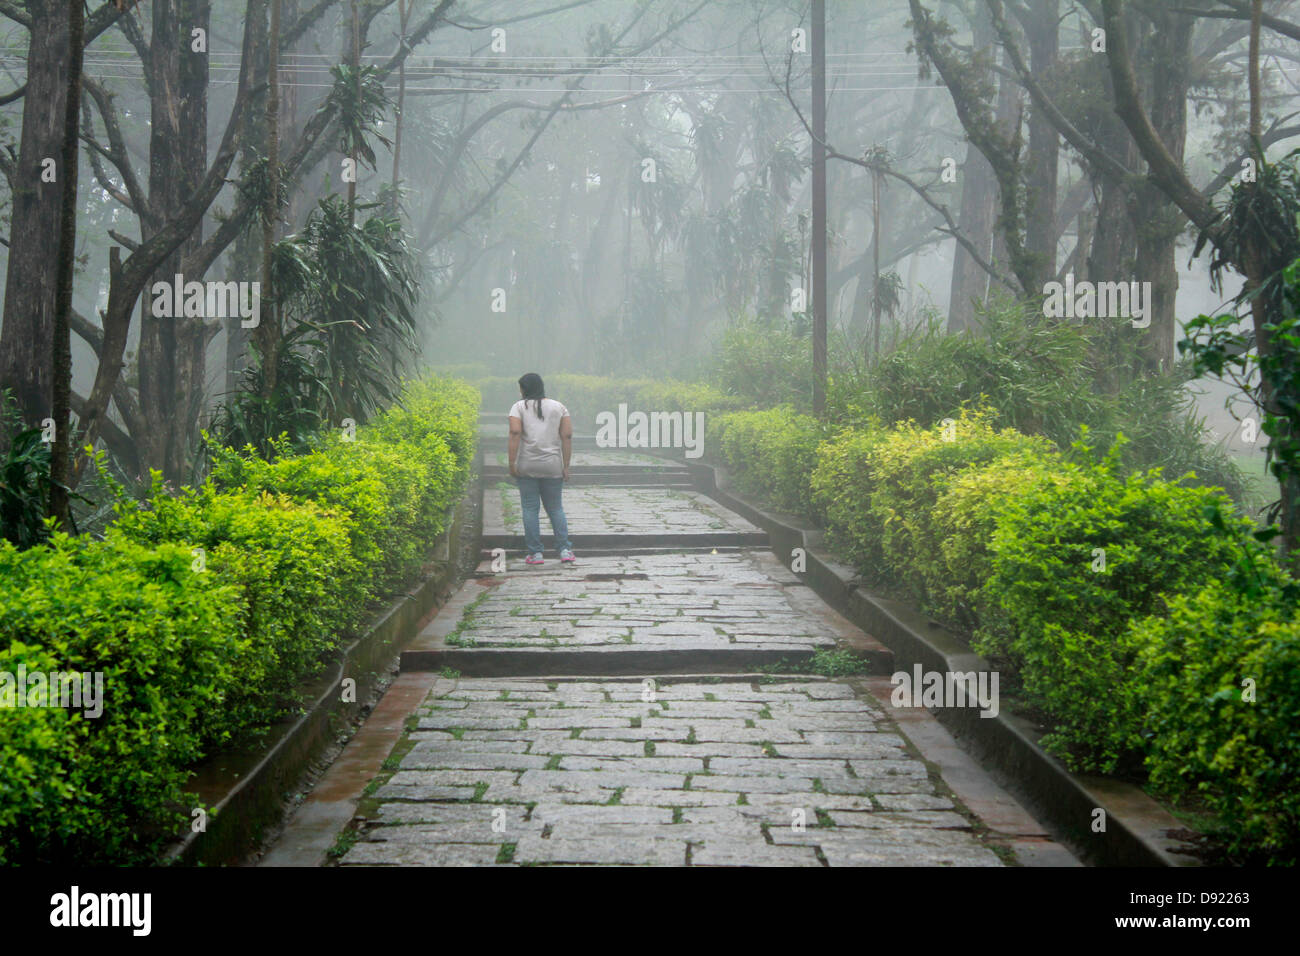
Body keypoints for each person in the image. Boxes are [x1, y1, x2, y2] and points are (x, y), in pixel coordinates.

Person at [508, 373, 575, 565]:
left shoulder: (518, 407)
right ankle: (564, 550)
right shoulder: (559, 407)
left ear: (524, 389)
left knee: (530, 508)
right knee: (555, 508)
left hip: (527, 464)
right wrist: (566, 465)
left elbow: (514, 432)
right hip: (552, 464)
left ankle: (536, 554)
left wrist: (512, 462)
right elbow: (567, 436)